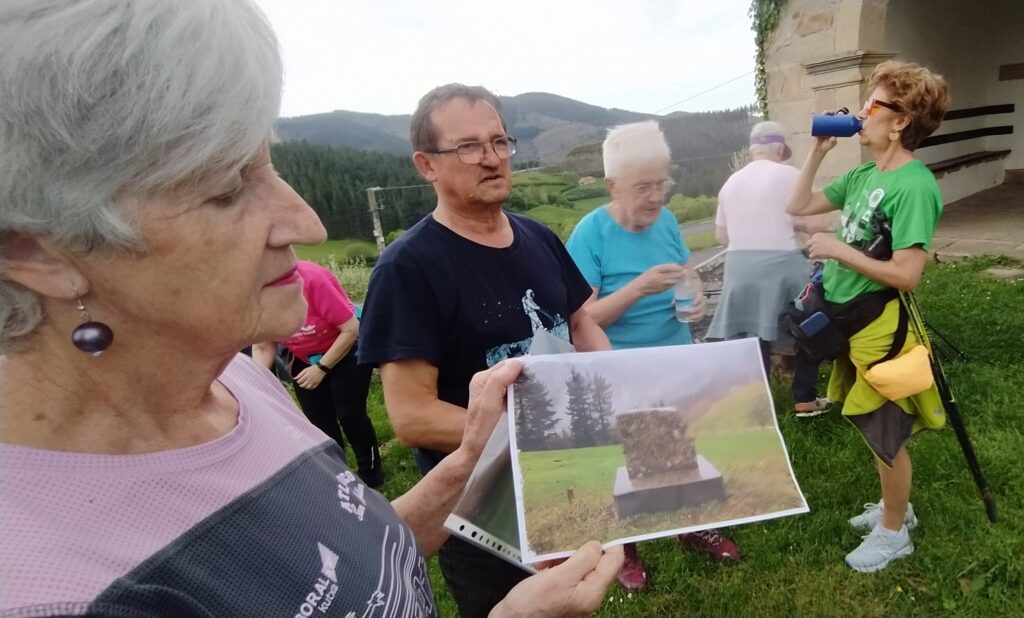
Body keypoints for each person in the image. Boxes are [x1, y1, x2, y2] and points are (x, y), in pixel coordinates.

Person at [0, 2, 623, 616]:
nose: (307, 224)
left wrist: (474, 460)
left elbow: (360, 561)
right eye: (226, 187)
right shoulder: (52, 589)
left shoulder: (243, 383)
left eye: (499, 141)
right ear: (39, 249)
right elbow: (409, 417)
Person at [358, 83, 612, 617]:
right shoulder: (407, 268)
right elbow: (411, 416)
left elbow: (580, 322)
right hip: (483, 507)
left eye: (499, 141)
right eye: (468, 147)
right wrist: (538, 432)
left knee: (574, 600)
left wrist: (616, 391)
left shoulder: (538, 236)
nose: (492, 158)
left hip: (567, 477)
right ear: (426, 165)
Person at [786, 60, 950, 573]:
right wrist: (817, 152)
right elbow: (798, 205)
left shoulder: (915, 186)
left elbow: (907, 274)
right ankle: (895, 506)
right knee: (870, 427)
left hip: (880, 325)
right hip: (850, 320)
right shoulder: (862, 174)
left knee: (883, 431)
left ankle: (894, 531)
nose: (860, 113)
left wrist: (838, 249)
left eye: (871, 105)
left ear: (899, 121)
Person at [566, 120, 741, 593]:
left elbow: (686, 273)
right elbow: (582, 319)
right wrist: (639, 287)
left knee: (681, 449)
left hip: (673, 357)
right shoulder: (590, 235)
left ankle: (691, 526)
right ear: (612, 185)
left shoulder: (665, 221)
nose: (656, 197)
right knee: (627, 462)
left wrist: (696, 295)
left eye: (662, 184)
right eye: (642, 187)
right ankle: (625, 548)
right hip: (618, 366)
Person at [707, 121, 829, 417]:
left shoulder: (730, 183)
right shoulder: (790, 175)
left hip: (739, 268)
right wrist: (793, 223)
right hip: (782, 264)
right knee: (811, 319)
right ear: (780, 149)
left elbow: (721, 237)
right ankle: (805, 398)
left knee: (754, 333)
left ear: (752, 151)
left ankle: (759, 405)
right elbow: (818, 224)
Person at [253, 260, 383, 488]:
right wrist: (256, 382)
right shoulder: (252, 294)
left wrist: (322, 368)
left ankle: (372, 477)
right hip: (304, 356)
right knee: (318, 420)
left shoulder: (313, 280)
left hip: (345, 344)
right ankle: (339, 477)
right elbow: (264, 346)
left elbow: (350, 329)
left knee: (350, 415)